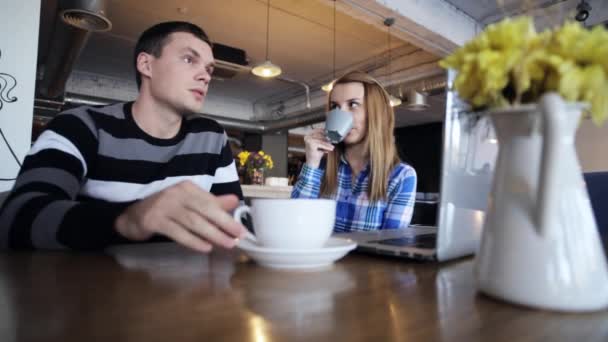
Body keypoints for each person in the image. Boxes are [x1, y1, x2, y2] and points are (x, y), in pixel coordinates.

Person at [0, 21, 248, 252]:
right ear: (146, 64)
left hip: (186, 289)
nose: (205, 76)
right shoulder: (80, 125)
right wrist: (127, 219)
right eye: (188, 59)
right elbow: (15, 218)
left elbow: (236, 219)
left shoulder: (211, 136)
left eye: (208, 68)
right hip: (87, 290)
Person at [291, 71, 417, 232]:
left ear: (375, 113)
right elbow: (295, 227)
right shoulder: (320, 167)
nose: (341, 113)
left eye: (353, 104)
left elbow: (390, 246)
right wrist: (312, 162)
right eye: (335, 107)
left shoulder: (401, 176)